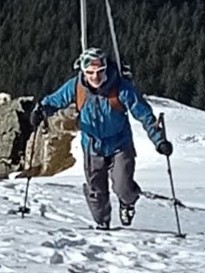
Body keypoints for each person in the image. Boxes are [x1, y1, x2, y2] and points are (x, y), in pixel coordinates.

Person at [26, 45, 172, 230]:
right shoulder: (76, 87)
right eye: (90, 72)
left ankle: (127, 203)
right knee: (96, 192)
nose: (95, 77)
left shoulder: (121, 89)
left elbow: (144, 115)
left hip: (120, 144)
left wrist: (159, 141)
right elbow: (56, 100)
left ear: (106, 69)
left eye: (100, 71)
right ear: (83, 71)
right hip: (92, 146)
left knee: (123, 187)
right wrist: (41, 110)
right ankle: (103, 228)